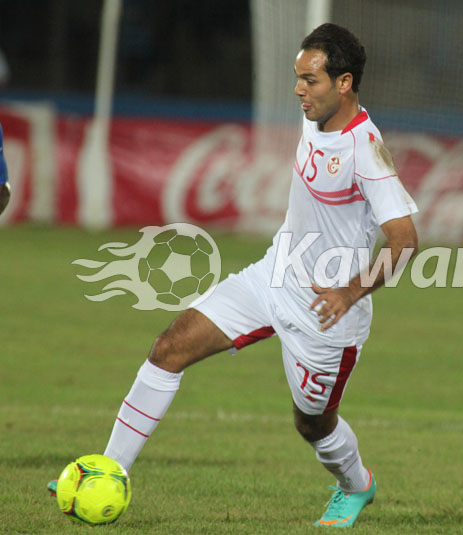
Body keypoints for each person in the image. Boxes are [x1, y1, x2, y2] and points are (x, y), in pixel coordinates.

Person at [49, 23, 418, 528]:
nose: (298, 90)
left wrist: (349, 293)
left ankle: (357, 485)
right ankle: (109, 471)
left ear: (344, 83)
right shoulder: (316, 118)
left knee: (312, 423)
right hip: (271, 277)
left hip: (326, 314)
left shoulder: (367, 152)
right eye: (297, 77)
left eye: (310, 80)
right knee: (169, 348)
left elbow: (405, 242)